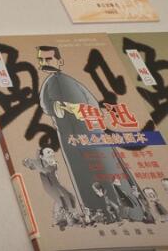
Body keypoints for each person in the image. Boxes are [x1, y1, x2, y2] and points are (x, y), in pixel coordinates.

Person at [37, 45, 147, 221]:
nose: (44, 62)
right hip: (72, 137)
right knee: (87, 175)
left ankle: (133, 212)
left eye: (48, 59)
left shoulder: (69, 82)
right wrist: (61, 108)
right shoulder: (49, 84)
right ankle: (104, 215)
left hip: (91, 134)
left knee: (110, 172)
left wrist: (73, 109)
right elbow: (48, 107)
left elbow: (92, 106)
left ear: (60, 61)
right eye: (41, 59)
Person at [23, 147, 77, 228]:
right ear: (42, 156)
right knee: (62, 199)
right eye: (49, 152)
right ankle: (64, 218)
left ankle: (66, 217)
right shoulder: (41, 164)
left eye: (52, 152)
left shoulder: (52, 163)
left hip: (56, 184)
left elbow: (50, 168)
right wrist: (30, 161)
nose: (52, 154)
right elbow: (29, 164)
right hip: (50, 186)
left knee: (70, 197)